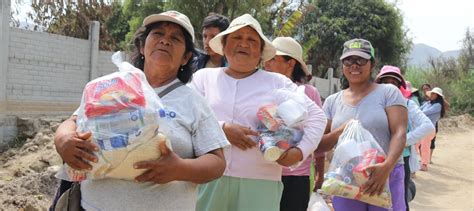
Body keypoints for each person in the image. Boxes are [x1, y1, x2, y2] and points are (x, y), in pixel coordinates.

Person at [52, 10, 229, 210]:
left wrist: (180, 169)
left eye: (175, 38)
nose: (165, 41)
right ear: (142, 46)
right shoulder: (113, 87)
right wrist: (62, 139)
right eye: (158, 34)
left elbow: (217, 162)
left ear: (186, 57)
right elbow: (73, 121)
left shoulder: (194, 102)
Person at [189, 14, 327, 211]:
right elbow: (189, 117)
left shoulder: (277, 83)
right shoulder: (203, 78)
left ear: (261, 52)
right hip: (209, 178)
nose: (243, 44)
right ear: (225, 45)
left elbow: (317, 117)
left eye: (251, 40)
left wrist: (299, 152)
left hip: (260, 182)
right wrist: (222, 129)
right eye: (236, 38)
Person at [316, 38, 408, 211]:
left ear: (372, 64)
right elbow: (319, 144)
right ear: (342, 65)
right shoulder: (331, 102)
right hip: (346, 179)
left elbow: (400, 133)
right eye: (348, 60)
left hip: (384, 174)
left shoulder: (388, 93)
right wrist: (340, 132)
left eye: (361, 60)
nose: (354, 65)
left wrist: (386, 167)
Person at [264, 36, 324, 211]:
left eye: (273, 59)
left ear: (290, 64)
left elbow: (316, 134)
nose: (266, 64)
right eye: (266, 59)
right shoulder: (263, 90)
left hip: (296, 175)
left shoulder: (308, 93)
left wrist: (319, 170)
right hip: (264, 172)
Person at [375, 65, 435, 211]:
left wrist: (402, 141)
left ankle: (408, 192)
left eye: (394, 83)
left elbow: (428, 126)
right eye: (385, 82)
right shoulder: (373, 104)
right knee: (375, 200)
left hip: (400, 160)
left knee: (398, 203)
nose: (389, 86)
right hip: (374, 160)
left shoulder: (407, 104)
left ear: (399, 86)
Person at [419, 87, 445, 170]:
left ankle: (424, 164)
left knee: (425, 146)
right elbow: (420, 109)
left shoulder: (438, 105)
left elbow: (426, 112)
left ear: (438, 96)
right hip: (422, 127)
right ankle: (420, 162)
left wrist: (416, 112)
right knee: (416, 145)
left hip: (429, 128)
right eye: (432, 93)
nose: (432, 95)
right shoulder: (428, 103)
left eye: (434, 94)